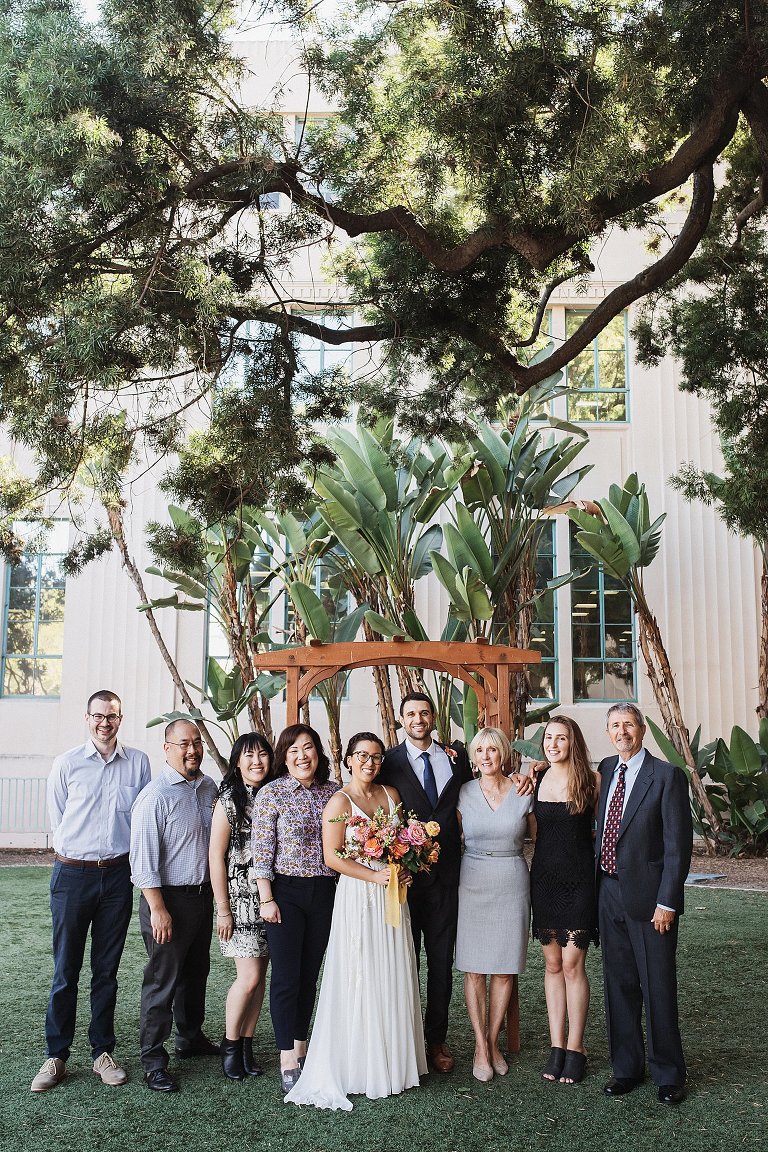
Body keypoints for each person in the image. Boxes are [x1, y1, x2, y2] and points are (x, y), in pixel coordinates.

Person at [379, 692, 533, 1073]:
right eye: (410, 713)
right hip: (406, 881)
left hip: (451, 880)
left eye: (424, 712)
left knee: (443, 965)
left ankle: (436, 1041)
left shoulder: (456, 759)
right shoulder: (388, 762)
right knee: (403, 961)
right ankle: (403, 1043)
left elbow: (491, 780)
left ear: (434, 717)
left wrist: (527, 772)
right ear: (401, 720)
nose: (418, 718)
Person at [285, 732, 427, 1110]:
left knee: (392, 970)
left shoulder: (391, 795)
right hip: (358, 895)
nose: (369, 763)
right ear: (348, 759)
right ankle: (361, 1065)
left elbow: (401, 844)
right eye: (362, 756)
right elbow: (332, 858)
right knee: (361, 970)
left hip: (392, 893)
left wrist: (402, 869)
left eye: (377, 757)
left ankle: (395, 1063)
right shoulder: (339, 801)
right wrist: (374, 876)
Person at [31, 690, 150, 1093]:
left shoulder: (138, 764)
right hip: (72, 875)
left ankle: (102, 1052)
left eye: (112, 716)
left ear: (121, 718)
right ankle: (56, 1056)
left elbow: (141, 819)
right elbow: (59, 818)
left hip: (117, 876)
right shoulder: (66, 764)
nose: (105, 722)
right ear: (87, 718)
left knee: (106, 972)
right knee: (66, 970)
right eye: (98, 715)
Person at [596, 703, 692, 1106]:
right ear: (609, 732)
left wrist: (667, 902)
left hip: (650, 899)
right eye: (615, 726)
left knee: (657, 986)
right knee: (619, 986)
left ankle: (668, 1074)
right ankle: (627, 1069)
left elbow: (677, 847)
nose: (622, 732)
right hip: (608, 892)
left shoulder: (667, 776)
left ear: (642, 731)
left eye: (629, 725)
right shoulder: (604, 769)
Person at [129, 719, 220, 1093]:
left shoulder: (207, 787)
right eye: (183, 743)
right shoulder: (155, 796)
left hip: (202, 897)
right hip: (166, 901)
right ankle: (152, 1060)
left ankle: (190, 1037)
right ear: (167, 748)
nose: (192, 750)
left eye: (196, 742)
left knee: (196, 973)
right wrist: (158, 909)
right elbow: (143, 861)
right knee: (162, 981)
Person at [251, 724, 339, 1093]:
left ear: (318, 752)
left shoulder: (334, 793)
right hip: (284, 894)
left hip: (325, 892)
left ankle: (302, 1049)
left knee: (309, 976)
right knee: (286, 977)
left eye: (308, 748)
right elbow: (261, 851)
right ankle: (287, 1056)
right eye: (293, 751)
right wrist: (266, 898)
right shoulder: (271, 794)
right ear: (284, 758)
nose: (302, 756)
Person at [455, 727, 535, 1082]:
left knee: (504, 969)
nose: (486, 756)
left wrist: (533, 771)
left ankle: (492, 1041)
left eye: (493, 750)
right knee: (474, 968)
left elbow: (541, 834)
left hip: (512, 879)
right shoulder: (462, 793)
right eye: (480, 751)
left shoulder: (523, 790)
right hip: (472, 879)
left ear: (504, 754)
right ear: (473, 757)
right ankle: (479, 1047)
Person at [530, 715, 599, 1085]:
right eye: (549, 738)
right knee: (553, 964)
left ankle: (576, 1046)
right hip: (543, 880)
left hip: (579, 881)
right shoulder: (535, 778)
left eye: (561, 738)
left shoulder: (592, 780)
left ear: (574, 742)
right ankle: (556, 1046)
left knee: (573, 963)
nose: (553, 744)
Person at [209, 733, 273, 1080]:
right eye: (249, 756)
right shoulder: (227, 800)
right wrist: (223, 909)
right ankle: (229, 1045)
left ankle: (246, 1047)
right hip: (239, 901)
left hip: (270, 899)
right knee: (247, 977)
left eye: (262, 755)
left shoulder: (273, 793)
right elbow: (215, 856)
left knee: (260, 977)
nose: (256, 761)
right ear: (237, 761)